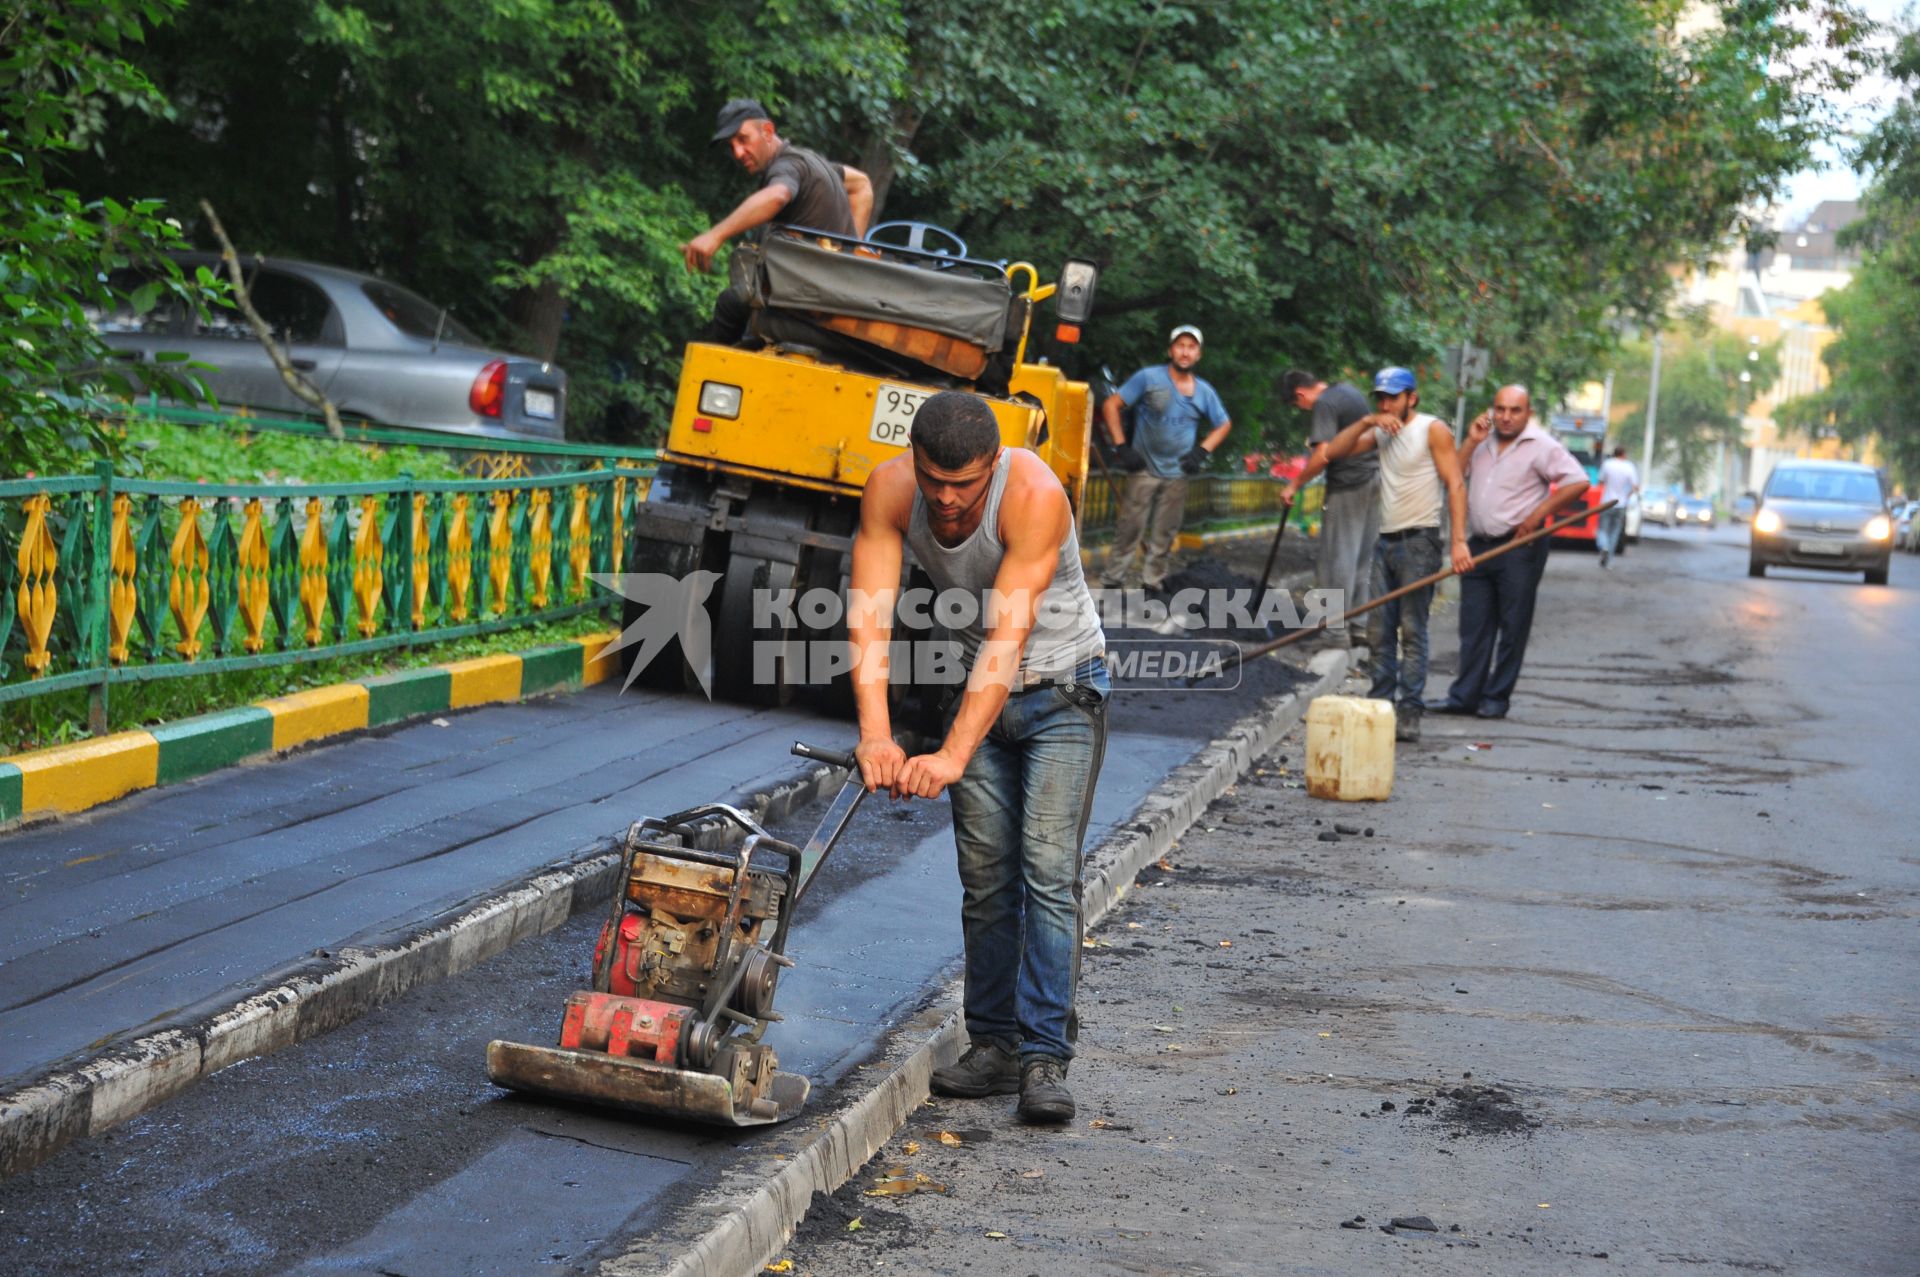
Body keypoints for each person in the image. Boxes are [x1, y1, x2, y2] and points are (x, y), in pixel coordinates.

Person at [848, 391, 1108, 1124]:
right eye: (935, 479)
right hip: (977, 692)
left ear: (993, 465)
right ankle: (993, 1045)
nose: (948, 498)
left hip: (1063, 691)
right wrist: (878, 733)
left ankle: (1044, 1055)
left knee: (1048, 871)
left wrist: (952, 752)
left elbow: (1007, 637)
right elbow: (870, 616)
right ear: (915, 460)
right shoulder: (891, 490)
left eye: (965, 484)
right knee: (987, 876)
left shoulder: (1033, 493)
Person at [1318, 367, 1473, 742]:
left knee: (1412, 629)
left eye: (1393, 397)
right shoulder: (1380, 431)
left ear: (1411, 398)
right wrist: (1367, 421)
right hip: (1384, 542)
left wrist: (1458, 542)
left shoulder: (1432, 429)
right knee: (1377, 630)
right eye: (1381, 398)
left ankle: (1409, 711)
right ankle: (1381, 704)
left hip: (1419, 543)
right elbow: (1332, 453)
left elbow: (1454, 482)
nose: (1386, 404)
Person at [1429, 385, 1590, 720]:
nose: (1505, 416)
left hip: (1520, 547)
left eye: (1515, 410)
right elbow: (1453, 477)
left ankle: (1496, 698)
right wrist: (1471, 440)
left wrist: (1536, 517)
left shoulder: (1542, 445)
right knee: (1473, 624)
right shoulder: (1483, 440)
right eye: (1500, 408)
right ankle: (1464, 697)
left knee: (1512, 624)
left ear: (1528, 413)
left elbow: (1578, 482)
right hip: (1478, 545)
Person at [681, 98, 874, 343]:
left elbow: (778, 195)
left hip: (809, 310)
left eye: (743, 139)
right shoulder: (810, 163)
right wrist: (851, 250)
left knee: (730, 304)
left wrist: (715, 235)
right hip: (830, 296)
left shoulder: (787, 167)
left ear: (768, 132)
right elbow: (862, 185)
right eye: (732, 146)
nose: (738, 153)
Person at [1095, 325, 1232, 591]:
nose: (1185, 352)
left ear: (1198, 355)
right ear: (1171, 350)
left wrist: (1201, 452)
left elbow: (1224, 424)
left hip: (1178, 472)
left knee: (1165, 532)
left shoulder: (1204, 391)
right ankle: (1113, 581)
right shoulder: (1149, 378)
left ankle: (1152, 583)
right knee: (1130, 527)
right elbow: (1111, 405)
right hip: (1143, 467)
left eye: (1191, 347)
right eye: (1180, 345)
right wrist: (1122, 447)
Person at [1279, 369, 1381, 655]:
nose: (1303, 409)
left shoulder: (1324, 403)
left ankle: (1335, 634)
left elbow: (1322, 454)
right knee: (1361, 558)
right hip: (1373, 480)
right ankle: (1359, 627)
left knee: (1337, 560)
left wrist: (1294, 485)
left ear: (1300, 394)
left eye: (1298, 405)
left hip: (1348, 485)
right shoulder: (1349, 390)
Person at [1595, 445, 1638, 567]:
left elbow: (1600, 482)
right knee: (1614, 532)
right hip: (1621, 504)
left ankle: (1604, 546)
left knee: (1602, 529)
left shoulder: (1607, 464)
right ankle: (1609, 562)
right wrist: (1627, 496)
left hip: (1606, 502)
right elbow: (1635, 487)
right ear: (1623, 454)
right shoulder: (1629, 466)